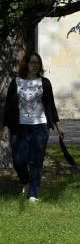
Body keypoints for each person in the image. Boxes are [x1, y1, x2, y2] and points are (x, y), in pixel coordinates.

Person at [1, 52, 65, 202]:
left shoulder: (45, 83)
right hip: (19, 127)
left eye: (38, 63)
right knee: (18, 160)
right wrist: (5, 127)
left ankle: (33, 195)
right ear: (26, 64)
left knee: (36, 161)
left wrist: (59, 126)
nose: (36, 65)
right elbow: (8, 107)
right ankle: (25, 181)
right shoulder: (16, 82)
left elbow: (51, 106)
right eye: (32, 62)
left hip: (40, 127)